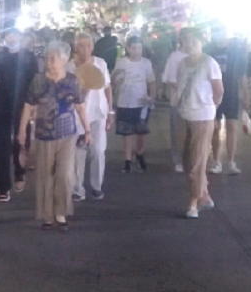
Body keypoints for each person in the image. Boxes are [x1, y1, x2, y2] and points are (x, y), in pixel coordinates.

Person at [18, 41, 91, 231]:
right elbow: (28, 106)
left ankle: (61, 212)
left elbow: (80, 107)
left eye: (53, 59)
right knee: (45, 175)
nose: (49, 62)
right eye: (47, 58)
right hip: (44, 134)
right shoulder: (38, 80)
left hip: (67, 134)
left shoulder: (72, 81)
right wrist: (22, 130)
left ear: (64, 60)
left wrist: (87, 130)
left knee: (65, 174)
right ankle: (47, 215)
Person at [175, 28, 223, 219]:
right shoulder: (182, 64)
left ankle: (193, 202)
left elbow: (218, 91)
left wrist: (212, 111)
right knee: (186, 160)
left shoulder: (209, 63)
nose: (189, 45)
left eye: (193, 41)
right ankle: (204, 194)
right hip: (184, 114)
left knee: (197, 161)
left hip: (203, 116)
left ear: (202, 42)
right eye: (185, 41)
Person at [0, 24, 39, 202]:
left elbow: (35, 82)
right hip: (2, 103)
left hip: (23, 104)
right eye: (7, 34)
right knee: (1, 144)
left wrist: (34, 106)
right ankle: (3, 187)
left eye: (14, 34)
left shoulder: (29, 57)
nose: (11, 38)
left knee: (21, 140)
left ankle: (19, 172)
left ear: (20, 36)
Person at [66, 33, 113, 201]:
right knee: (78, 153)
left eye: (88, 46)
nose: (85, 50)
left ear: (92, 47)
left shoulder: (100, 63)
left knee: (98, 151)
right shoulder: (69, 67)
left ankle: (96, 185)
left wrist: (110, 111)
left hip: (98, 113)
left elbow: (107, 87)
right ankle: (78, 188)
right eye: (81, 46)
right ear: (75, 48)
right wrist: (82, 92)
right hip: (78, 115)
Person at [112, 36, 156, 173]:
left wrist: (152, 97)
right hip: (125, 102)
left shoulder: (146, 63)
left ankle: (139, 154)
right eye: (134, 48)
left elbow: (152, 81)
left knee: (141, 132)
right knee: (127, 133)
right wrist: (116, 76)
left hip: (141, 103)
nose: (137, 51)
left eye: (139, 48)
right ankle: (127, 160)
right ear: (128, 48)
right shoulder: (121, 62)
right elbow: (113, 81)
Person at [208, 34, 250, 175]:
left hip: (231, 93)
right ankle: (216, 161)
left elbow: (242, 76)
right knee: (215, 128)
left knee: (232, 126)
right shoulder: (209, 51)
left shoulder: (235, 52)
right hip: (213, 95)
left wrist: (246, 95)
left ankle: (231, 162)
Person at [162, 28, 193, 173]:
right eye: (187, 39)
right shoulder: (175, 57)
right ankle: (178, 160)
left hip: (195, 102)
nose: (189, 42)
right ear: (181, 39)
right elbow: (169, 78)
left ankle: (191, 158)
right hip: (178, 100)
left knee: (193, 132)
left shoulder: (199, 56)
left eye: (192, 39)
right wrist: (184, 90)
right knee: (178, 132)